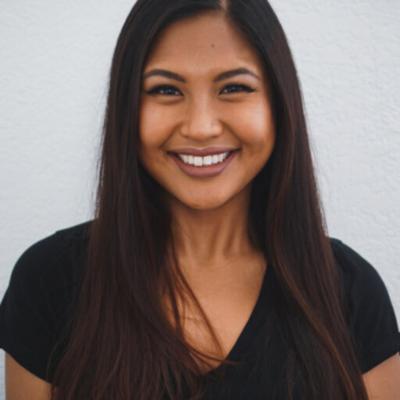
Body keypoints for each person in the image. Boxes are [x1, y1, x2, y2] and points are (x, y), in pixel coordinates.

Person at [1, 0, 399, 399]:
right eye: (166, 90)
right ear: (127, 108)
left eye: (234, 88)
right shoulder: (50, 281)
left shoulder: (349, 292)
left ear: (279, 104)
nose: (201, 127)